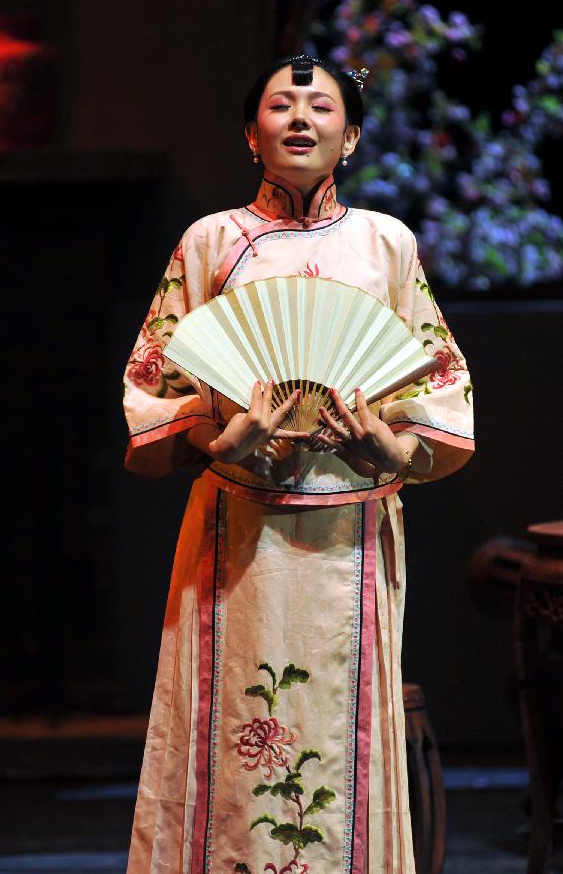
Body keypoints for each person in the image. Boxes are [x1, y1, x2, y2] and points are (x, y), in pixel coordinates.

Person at [123, 54, 474, 874]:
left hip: (349, 526)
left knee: (339, 732)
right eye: (280, 105)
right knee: (229, 726)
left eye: (321, 107)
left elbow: (434, 375)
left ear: (348, 138)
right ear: (252, 135)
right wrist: (221, 441)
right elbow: (158, 374)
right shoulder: (212, 240)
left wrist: (389, 448)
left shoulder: (385, 243)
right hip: (238, 524)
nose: (300, 118)